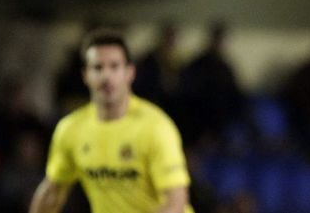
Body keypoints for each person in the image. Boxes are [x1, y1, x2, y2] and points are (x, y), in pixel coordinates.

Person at [28, 28, 194, 213]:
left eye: (114, 66)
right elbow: (52, 193)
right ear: (86, 75)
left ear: (129, 73)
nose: (106, 76)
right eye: (98, 67)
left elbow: (175, 203)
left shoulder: (156, 127)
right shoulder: (70, 129)